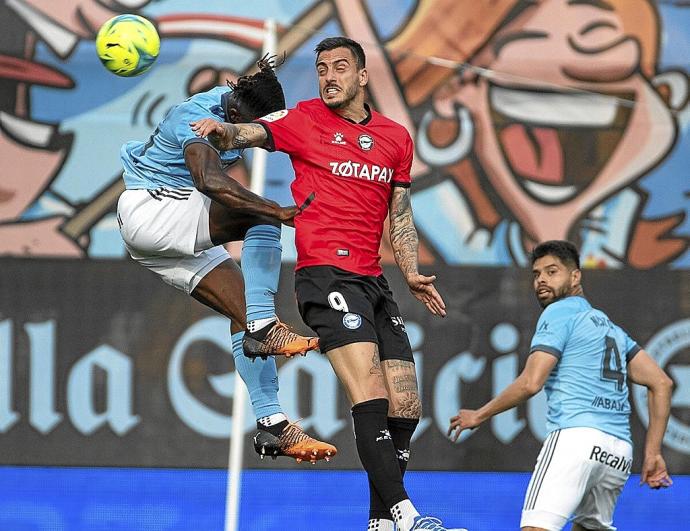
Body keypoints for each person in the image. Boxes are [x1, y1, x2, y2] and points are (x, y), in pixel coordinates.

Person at [192, 37, 466, 531]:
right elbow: (250, 133)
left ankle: (380, 522)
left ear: (363, 76)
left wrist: (409, 271)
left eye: (340, 67)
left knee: (406, 405)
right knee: (370, 390)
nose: (329, 76)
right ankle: (406, 517)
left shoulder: (395, 137)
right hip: (324, 276)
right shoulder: (304, 119)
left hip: (374, 280)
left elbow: (399, 212)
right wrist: (222, 131)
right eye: (321, 69)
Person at [116, 55, 336, 464]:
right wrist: (277, 210)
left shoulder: (236, 107)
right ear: (234, 111)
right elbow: (209, 181)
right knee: (259, 214)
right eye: (244, 127)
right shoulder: (195, 118)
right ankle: (265, 326)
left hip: (162, 227)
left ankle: (273, 426)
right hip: (153, 210)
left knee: (246, 307)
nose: (246, 136)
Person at [448, 240, 674, 531]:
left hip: (576, 440)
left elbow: (531, 383)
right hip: (617, 454)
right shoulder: (611, 329)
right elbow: (662, 382)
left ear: (575, 276)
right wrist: (653, 452)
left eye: (552, 271)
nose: (541, 279)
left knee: (536, 527)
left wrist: (479, 414)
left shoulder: (558, 312)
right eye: (536, 273)